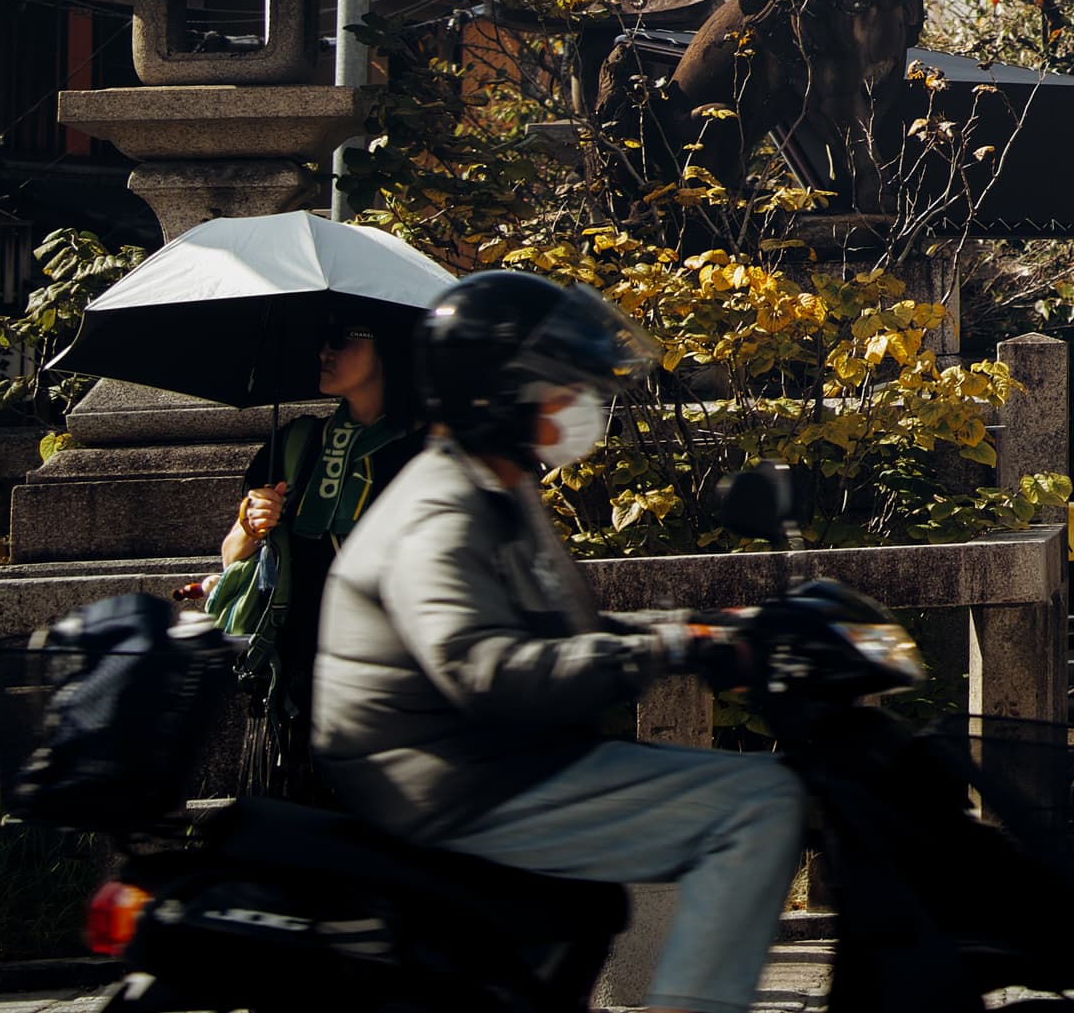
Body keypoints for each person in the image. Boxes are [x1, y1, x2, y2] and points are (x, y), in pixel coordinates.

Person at [317, 270, 798, 1013]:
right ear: (498, 394)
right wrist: (667, 648)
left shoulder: (498, 485)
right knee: (760, 800)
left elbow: (557, 637)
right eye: (560, 384)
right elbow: (485, 668)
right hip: (456, 781)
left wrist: (696, 633)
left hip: (493, 760)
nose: (580, 402)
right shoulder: (441, 511)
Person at [209, 313, 422, 797]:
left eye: (343, 338)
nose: (324, 350)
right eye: (321, 339)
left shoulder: (432, 449)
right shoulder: (297, 442)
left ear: (388, 348)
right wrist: (251, 523)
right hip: (300, 685)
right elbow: (230, 556)